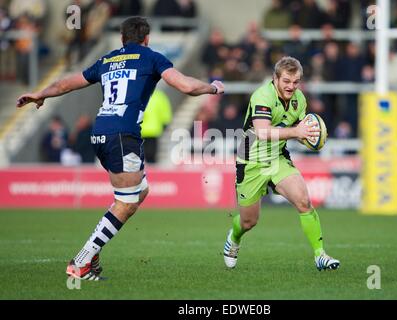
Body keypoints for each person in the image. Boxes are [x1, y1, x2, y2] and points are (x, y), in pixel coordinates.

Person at [16, 16, 224, 281]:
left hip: (100, 132)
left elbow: (67, 82)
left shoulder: (107, 60)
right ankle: (82, 261)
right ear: (146, 39)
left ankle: (92, 250)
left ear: (121, 39)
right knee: (125, 203)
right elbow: (185, 85)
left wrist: (41, 94)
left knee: (140, 191)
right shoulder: (151, 58)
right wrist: (213, 88)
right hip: (123, 136)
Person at [222, 56, 340, 271]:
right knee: (249, 222)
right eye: (286, 81)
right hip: (250, 161)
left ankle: (320, 255)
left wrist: (312, 138)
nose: (291, 86)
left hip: (277, 157)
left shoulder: (300, 99)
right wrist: (297, 132)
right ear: (275, 78)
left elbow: (299, 129)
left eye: (296, 82)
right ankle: (234, 236)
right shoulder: (262, 96)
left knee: (304, 201)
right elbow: (263, 132)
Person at [140, 89, 172, 163]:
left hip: (144, 130)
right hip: (152, 130)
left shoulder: (139, 95)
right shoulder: (159, 96)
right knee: (150, 156)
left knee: (144, 156)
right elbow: (165, 111)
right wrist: (165, 123)